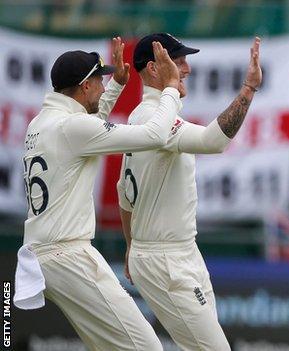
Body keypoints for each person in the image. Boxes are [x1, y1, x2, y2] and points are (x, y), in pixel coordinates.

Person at [14, 38, 183, 350]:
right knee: (148, 347)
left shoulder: (41, 123)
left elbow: (87, 128)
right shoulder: (72, 128)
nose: (104, 89)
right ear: (84, 87)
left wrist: (118, 85)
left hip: (46, 254)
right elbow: (155, 134)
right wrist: (171, 87)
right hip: (69, 255)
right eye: (100, 82)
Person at [116, 33, 261, 350]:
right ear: (154, 69)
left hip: (177, 251)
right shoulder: (155, 118)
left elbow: (124, 196)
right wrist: (248, 89)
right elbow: (213, 141)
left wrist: (131, 247)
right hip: (165, 258)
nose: (188, 69)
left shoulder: (143, 117)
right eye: (178, 61)